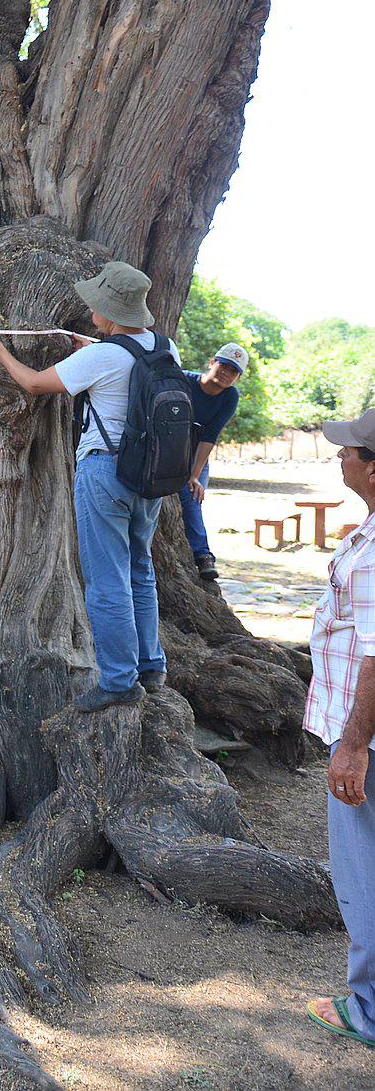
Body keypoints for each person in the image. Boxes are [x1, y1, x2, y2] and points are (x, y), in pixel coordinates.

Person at [0, 260, 181, 712]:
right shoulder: (165, 349)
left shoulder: (101, 355)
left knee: (106, 580)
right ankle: (150, 664)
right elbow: (125, 368)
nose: (89, 310)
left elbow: (33, 383)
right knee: (140, 569)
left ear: (110, 311)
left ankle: (120, 680)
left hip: (105, 473)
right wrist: (95, 348)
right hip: (150, 476)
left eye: (96, 305)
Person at [304, 408, 375, 1049]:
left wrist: (352, 746)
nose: (341, 458)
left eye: (350, 451)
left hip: (368, 740)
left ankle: (370, 1010)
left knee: (361, 872)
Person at [178, 342, 248, 580]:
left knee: (191, 495)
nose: (226, 373)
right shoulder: (184, 380)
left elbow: (210, 435)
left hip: (197, 454)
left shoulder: (230, 396)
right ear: (212, 363)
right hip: (168, 450)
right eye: (224, 366)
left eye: (234, 371)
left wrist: (194, 475)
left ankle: (202, 555)